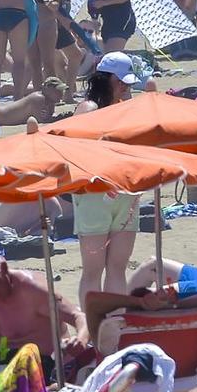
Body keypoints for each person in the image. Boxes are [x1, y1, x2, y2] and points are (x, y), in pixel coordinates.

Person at [70, 58, 142, 309]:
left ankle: (116, 320)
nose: (125, 86)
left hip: (124, 191)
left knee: (117, 266)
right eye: (120, 81)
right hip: (94, 193)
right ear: (106, 78)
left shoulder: (124, 107)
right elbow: (77, 149)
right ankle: (92, 326)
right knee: (93, 269)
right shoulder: (89, 108)